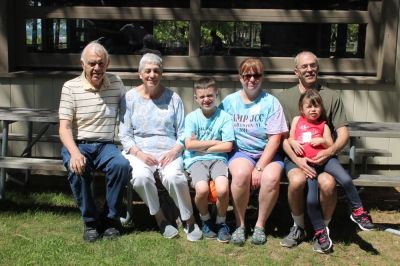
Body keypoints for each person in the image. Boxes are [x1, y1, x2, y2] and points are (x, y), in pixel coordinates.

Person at [119, 53, 202, 241]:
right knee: (140, 177)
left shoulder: (174, 98)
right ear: (140, 74)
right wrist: (140, 154)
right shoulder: (129, 98)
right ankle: (160, 218)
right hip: (139, 152)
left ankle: (189, 219)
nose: (152, 74)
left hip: (168, 151)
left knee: (175, 177)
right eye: (147, 71)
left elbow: (182, 133)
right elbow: (125, 135)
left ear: (162, 73)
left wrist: (174, 152)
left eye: (156, 70)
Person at [278, 51, 351, 253]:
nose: (309, 69)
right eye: (304, 67)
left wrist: (330, 152)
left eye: (313, 66)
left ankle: (323, 230)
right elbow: (282, 138)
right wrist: (298, 161)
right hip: (297, 157)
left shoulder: (331, 96)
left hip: (324, 157)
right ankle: (299, 226)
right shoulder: (285, 98)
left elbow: (344, 134)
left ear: (317, 68)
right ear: (296, 72)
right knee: (297, 181)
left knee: (327, 184)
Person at [59, 41, 131, 242]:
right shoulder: (70, 87)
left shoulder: (117, 84)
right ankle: (90, 222)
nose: (97, 68)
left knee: (121, 165)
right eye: (92, 63)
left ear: (107, 63)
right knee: (78, 168)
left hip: (106, 145)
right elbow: (64, 128)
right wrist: (74, 153)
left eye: (101, 63)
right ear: (83, 64)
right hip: (78, 143)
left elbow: (130, 113)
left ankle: (110, 219)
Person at [288, 89, 375, 253]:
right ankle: (320, 232)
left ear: (321, 108)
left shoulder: (324, 125)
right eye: (309, 106)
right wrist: (293, 144)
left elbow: (330, 144)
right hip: (310, 165)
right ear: (301, 108)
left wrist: (322, 140)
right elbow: (291, 137)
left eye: (317, 106)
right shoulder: (297, 120)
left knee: (346, 179)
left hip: (326, 160)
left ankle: (358, 211)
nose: (313, 110)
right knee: (311, 200)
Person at [220, 57, 288, 245]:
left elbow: (275, 139)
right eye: (247, 75)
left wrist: (259, 167)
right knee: (241, 175)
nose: (251, 79)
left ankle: (260, 225)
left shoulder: (271, 102)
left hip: (267, 152)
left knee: (271, 178)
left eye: (256, 75)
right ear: (240, 78)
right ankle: (240, 225)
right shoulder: (229, 102)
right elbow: (217, 125)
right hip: (241, 151)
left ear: (262, 77)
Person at [183, 77, 235, 243]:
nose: (206, 99)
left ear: (216, 94)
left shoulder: (224, 117)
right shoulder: (192, 118)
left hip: (218, 159)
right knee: (202, 190)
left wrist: (201, 146)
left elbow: (228, 146)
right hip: (195, 161)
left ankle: (221, 222)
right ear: (196, 98)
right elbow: (189, 145)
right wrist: (215, 142)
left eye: (210, 95)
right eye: (202, 96)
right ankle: (205, 220)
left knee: (222, 190)